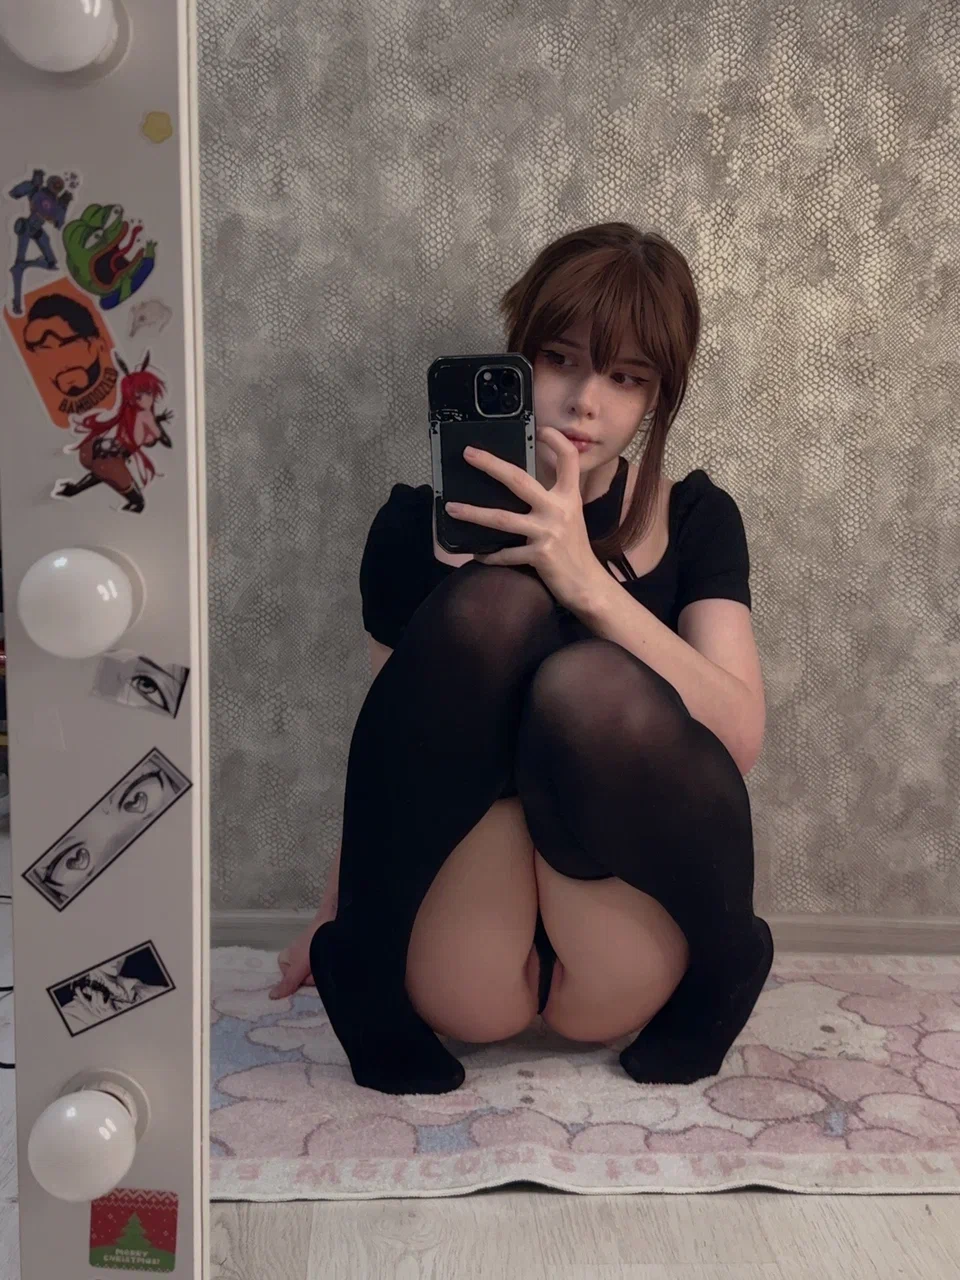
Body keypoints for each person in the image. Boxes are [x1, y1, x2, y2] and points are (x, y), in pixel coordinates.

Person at [270, 222, 773, 1096]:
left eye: (625, 377)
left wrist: (588, 585)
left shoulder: (695, 519)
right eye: (560, 360)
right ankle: (365, 959)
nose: (585, 402)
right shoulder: (412, 529)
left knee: (585, 689)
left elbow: (736, 738)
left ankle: (730, 956)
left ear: (659, 396)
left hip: (618, 919)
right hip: (473, 916)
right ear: (516, 357)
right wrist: (334, 916)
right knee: (494, 608)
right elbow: (389, 769)